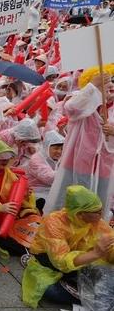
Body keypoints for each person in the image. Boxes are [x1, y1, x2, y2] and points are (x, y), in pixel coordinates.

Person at [22, 186, 113, 311]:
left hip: (83, 267)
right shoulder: (54, 222)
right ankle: (101, 298)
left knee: (108, 275)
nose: (101, 214)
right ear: (80, 214)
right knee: (49, 292)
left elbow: (111, 247)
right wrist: (95, 253)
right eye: (96, 212)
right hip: (51, 267)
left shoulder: (98, 223)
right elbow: (61, 261)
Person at [46, 66, 114, 217]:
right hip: (77, 162)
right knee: (68, 204)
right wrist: (92, 87)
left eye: (111, 84)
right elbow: (71, 109)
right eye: (104, 84)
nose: (110, 88)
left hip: (104, 166)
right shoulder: (82, 100)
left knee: (97, 207)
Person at [26, 131, 64, 210]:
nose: (59, 151)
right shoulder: (36, 159)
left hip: (50, 191)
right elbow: (49, 178)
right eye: (56, 148)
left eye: (61, 148)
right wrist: (66, 171)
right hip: (37, 193)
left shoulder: (56, 159)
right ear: (47, 147)